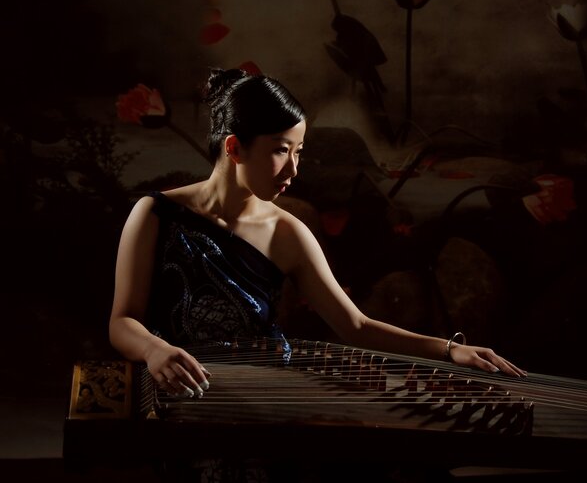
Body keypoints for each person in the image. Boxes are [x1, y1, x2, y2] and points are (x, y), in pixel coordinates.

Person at [109, 67, 525, 401]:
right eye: (279, 150)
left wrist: (451, 350)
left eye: (298, 152)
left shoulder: (287, 232)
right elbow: (123, 320)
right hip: (176, 397)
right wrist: (153, 349)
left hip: (263, 399)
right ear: (234, 148)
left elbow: (356, 326)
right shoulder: (155, 214)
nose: (293, 170)